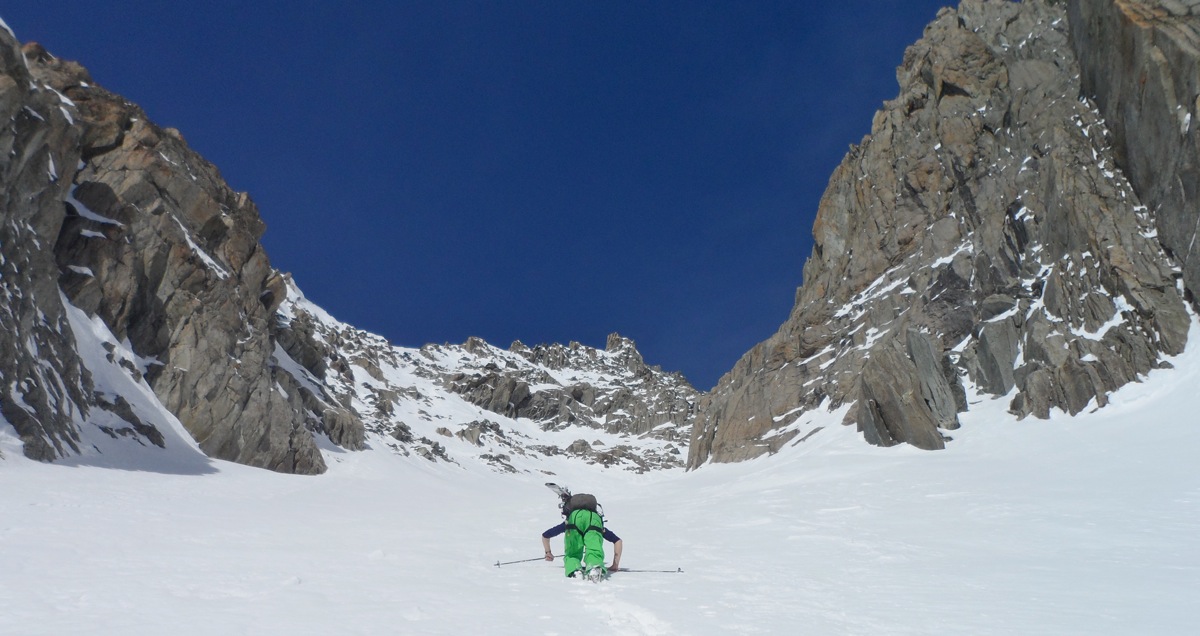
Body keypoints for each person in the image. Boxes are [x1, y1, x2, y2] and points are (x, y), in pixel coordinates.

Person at [541, 510, 622, 578]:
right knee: (594, 550)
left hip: (573, 522)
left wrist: (548, 552)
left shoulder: (571, 518)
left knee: (572, 554)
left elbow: (545, 535)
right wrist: (615, 565)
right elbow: (618, 541)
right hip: (594, 522)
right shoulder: (594, 518)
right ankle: (595, 566)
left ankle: (574, 570)